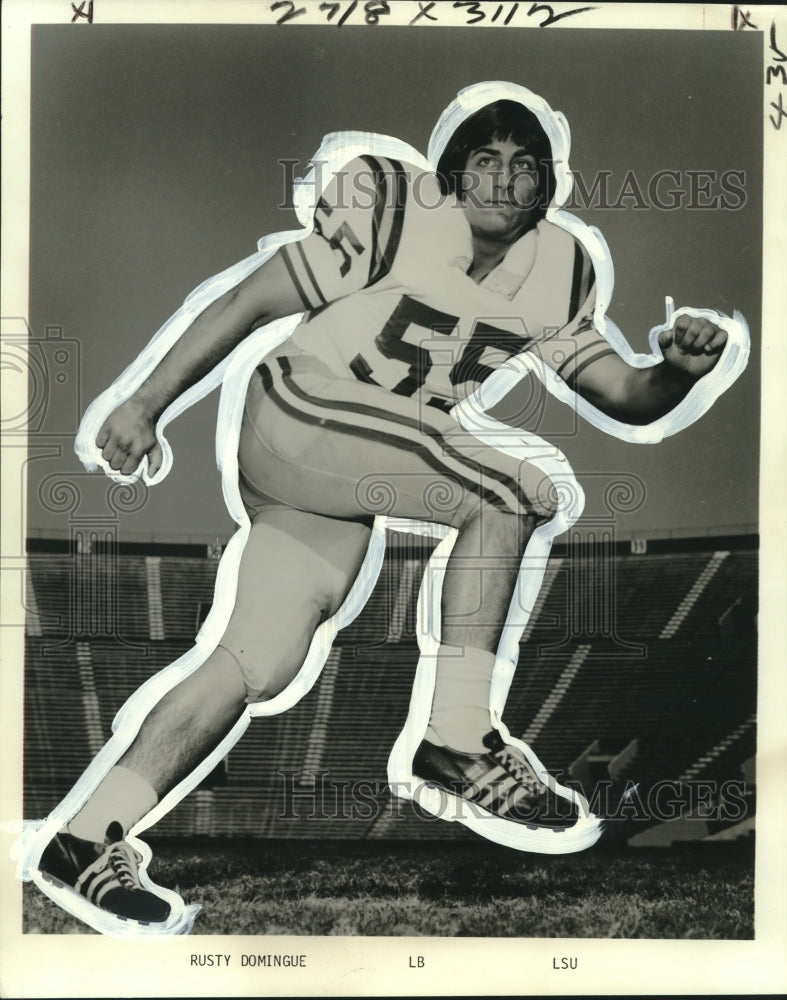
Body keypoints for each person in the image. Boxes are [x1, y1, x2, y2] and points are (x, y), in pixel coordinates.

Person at [28, 82, 745, 934]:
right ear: (451, 172)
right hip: (301, 411)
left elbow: (620, 395)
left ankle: (81, 835)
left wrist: (677, 373)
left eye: (526, 165)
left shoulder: (560, 269)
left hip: (347, 469)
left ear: (547, 183)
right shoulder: (395, 208)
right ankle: (455, 735)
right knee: (511, 488)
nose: (505, 179)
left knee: (257, 664)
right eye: (486, 159)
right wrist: (147, 402)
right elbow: (252, 298)